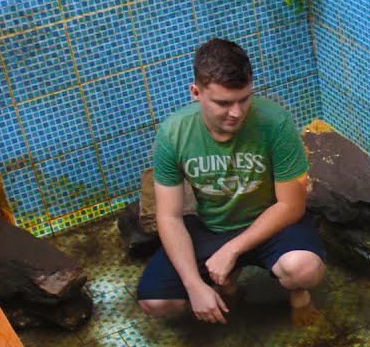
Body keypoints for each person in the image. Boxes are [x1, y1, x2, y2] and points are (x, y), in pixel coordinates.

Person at [136, 38, 325, 327]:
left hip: (270, 223)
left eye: (244, 99)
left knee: (304, 269)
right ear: (196, 93)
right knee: (156, 302)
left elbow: (291, 206)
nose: (237, 112)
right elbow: (170, 217)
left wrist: (232, 250)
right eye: (223, 103)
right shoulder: (173, 133)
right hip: (211, 226)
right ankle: (224, 284)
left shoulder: (275, 123)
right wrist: (193, 285)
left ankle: (297, 292)